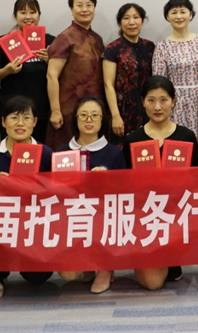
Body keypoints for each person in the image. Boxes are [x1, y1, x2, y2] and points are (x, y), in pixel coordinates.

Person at [121, 76, 198, 289]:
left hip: (177, 216)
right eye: (151, 100)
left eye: (164, 100)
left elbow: (196, 182)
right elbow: (124, 185)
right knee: (152, 283)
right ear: (143, 102)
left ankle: (171, 255)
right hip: (145, 218)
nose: (157, 107)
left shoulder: (186, 136)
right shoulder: (132, 139)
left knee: (159, 279)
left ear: (173, 101)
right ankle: (146, 256)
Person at [0, 96, 55, 300]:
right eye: (14, 117)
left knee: (38, 278)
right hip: (1, 220)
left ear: (34, 122)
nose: (20, 123)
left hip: (34, 221)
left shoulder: (46, 154)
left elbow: (58, 193)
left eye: (26, 118)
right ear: (3, 122)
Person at [56, 96, 126, 293]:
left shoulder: (114, 153)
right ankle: (87, 264)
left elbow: (125, 193)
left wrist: (107, 181)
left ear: (103, 120)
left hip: (104, 219)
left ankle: (106, 267)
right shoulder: (62, 152)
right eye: (84, 115)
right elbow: (53, 191)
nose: (89, 120)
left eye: (95, 115)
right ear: (75, 119)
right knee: (68, 274)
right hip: (73, 219)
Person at [0, 0, 56, 143]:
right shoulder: (3, 41)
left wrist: (50, 61)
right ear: (15, 16)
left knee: (38, 152)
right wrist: (7, 70)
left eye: (32, 12)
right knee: (10, 151)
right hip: (10, 110)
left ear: (39, 15)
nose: (28, 17)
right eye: (23, 12)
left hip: (41, 111)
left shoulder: (51, 41)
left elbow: (63, 75)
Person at [46, 0, 105, 150]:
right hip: (68, 109)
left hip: (94, 110)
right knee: (68, 155)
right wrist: (55, 110)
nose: (85, 9)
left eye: (89, 5)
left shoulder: (97, 38)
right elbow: (51, 75)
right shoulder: (64, 38)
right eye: (79, 5)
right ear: (72, 10)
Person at [152, 0, 198, 147]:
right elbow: (159, 82)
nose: (178, 16)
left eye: (183, 12)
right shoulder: (162, 46)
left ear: (190, 15)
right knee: (177, 145)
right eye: (174, 12)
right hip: (175, 102)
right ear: (167, 16)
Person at [102, 3, 155, 144]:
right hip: (122, 109)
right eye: (126, 18)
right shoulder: (112, 49)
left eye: (136, 17)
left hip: (146, 107)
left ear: (142, 21)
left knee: (146, 148)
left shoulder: (150, 46)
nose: (132, 22)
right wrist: (115, 116)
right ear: (120, 23)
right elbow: (108, 85)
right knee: (123, 146)